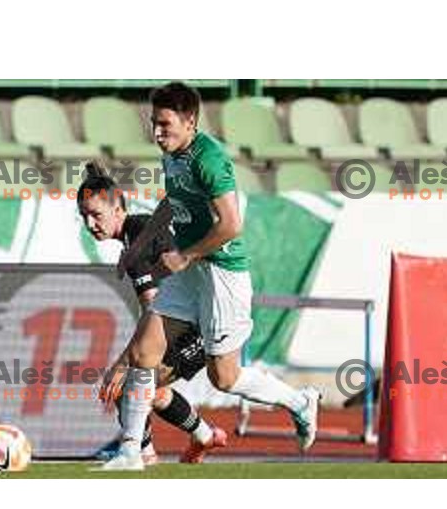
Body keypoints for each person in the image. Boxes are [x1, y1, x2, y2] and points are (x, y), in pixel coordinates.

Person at [103, 82, 321, 470]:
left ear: (190, 122)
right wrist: (148, 240)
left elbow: (232, 224)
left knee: (225, 377)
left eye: (165, 125)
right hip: (191, 272)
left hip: (221, 274)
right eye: (154, 123)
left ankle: (300, 401)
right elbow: (175, 200)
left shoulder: (210, 159)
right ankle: (130, 453)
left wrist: (185, 256)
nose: (157, 133)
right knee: (143, 353)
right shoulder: (172, 155)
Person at [77, 163, 227, 467]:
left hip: (195, 327)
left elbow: (155, 310)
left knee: (131, 385)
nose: (90, 223)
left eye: (96, 214)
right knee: (154, 391)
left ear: (119, 209)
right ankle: (203, 436)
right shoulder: (135, 236)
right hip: (191, 321)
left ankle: (142, 455)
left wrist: (124, 362)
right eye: (84, 216)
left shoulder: (139, 237)